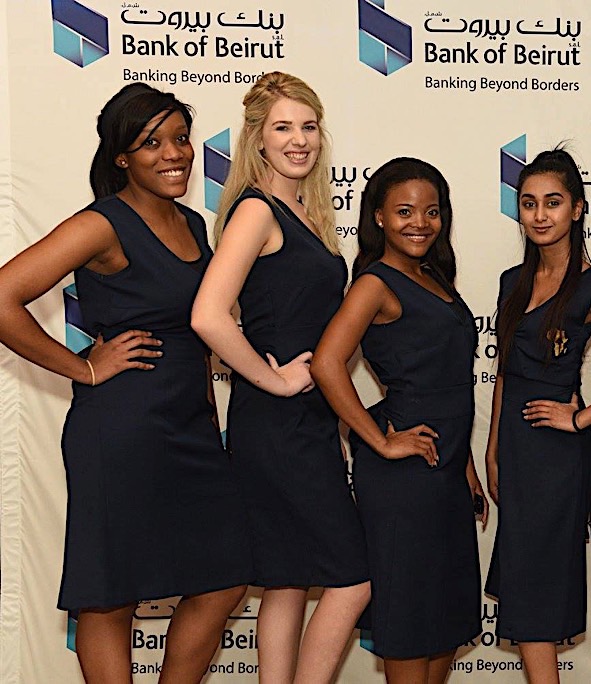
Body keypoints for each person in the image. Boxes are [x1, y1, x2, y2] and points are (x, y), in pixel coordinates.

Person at [0, 83, 251, 681]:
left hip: (191, 428)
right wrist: (84, 366)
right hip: (122, 429)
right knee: (111, 594)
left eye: (181, 138)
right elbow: (4, 297)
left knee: (225, 578)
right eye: (152, 143)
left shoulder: (194, 224)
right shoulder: (103, 224)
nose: (175, 154)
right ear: (121, 157)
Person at [191, 72, 370, 684]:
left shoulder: (304, 212)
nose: (299, 140)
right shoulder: (255, 210)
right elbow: (208, 315)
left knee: (288, 579)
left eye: (308, 127)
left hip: (305, 422)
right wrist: (274, 382)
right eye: (283, 128)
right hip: (278, 424)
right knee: (352, 580)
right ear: (257, 139)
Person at [483, 148, 591, 684]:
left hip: (556, 456)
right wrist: (493, 448)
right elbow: (505, 372)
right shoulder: (512, 281)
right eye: (529, 203)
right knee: (525, 584)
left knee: (535, 588)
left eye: (553, 202)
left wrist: (582, 419)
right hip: (516, 449)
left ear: (578, 209)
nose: (540, 215)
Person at [311, 157, 485, 684]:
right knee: (412, 622)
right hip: (405, 481)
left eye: (431, 211)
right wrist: (379, 442)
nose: (420, 223)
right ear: (379, 217)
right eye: (405, 211)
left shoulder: (433, 276)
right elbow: (326, 363)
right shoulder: (375, 283)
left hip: (445, 468)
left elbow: (449, 384)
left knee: (445, 621)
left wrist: (465, 466)